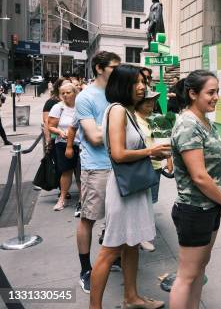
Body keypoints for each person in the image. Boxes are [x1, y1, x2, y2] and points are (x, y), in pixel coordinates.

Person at [89, 65, 168, 309]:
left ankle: (132, 298)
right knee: (109, 251)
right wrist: (151, 151)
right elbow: (119, 153)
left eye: (143, 81)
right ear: (122, 85)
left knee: (131, 244)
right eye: (137, 82)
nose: (142, 86)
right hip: (123, 190)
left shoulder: (129, 111)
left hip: (134, 188)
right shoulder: (117, 110)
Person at [169, 70, 221, 309]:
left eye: (217, 91)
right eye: (210, 92)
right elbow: (199, 176)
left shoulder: (204, 120)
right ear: (192, 93)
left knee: (199, 270)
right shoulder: (188, 124)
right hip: (195, 210)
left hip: (209, 207)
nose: (216, 97)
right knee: (186, 276)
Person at [68, 51, 121, 294]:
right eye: (113, 67)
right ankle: (85, 269)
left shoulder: (115, 93)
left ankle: (115, 255)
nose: (117, 71)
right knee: (89, 217)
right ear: (99, 68)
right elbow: (95, 137)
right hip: (96, 166)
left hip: (119, 164)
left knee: (116, 216)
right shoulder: (85, 97)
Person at [134, 89, 174, 252]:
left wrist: (169, 159)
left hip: (155, 167)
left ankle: (143, 233)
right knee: (139, 202)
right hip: (140, 166)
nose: (151, 103)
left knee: (150, 201)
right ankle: (140, 235)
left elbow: (163, 139)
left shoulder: (155, 119)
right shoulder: (133, 119)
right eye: (147, 101)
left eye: (153, 100)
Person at [47, 83, 81, 212]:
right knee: (66, 171)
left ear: (75, 93)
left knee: (81, 173)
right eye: (63, 93)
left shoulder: (81, 106)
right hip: (63, 144)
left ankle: (82, 200)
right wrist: (60, 132)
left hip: (81, 143)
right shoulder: (58, 107)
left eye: (68, 92)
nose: (65, 95)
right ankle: (62, 198)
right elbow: (50, 126)